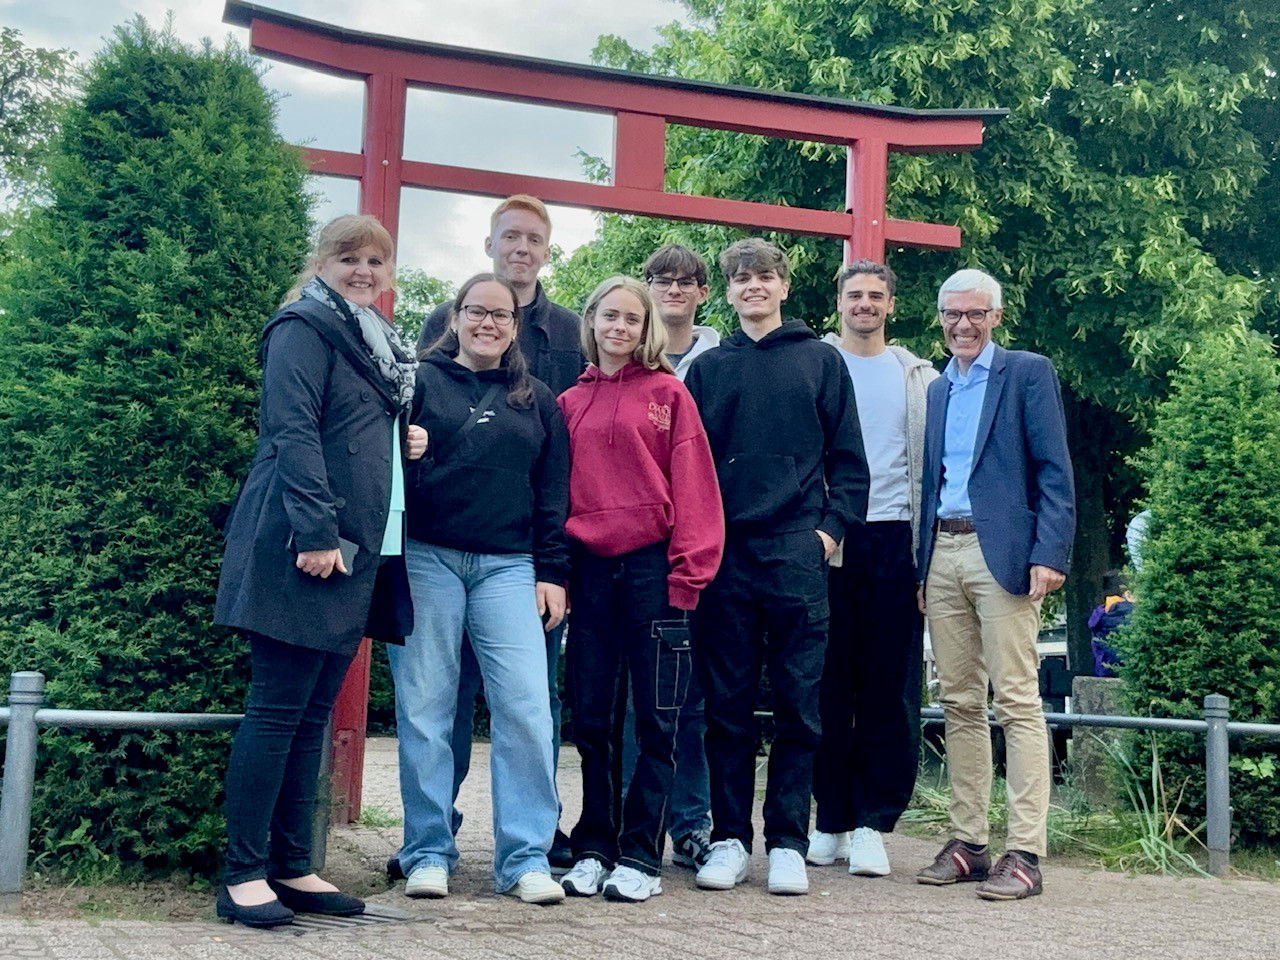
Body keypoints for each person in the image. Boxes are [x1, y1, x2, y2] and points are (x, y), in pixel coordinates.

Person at [214, 214, 424, 927]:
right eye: (349, 256)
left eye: (376, 259)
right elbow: (291, 426)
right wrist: (315, 528)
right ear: (322, 261)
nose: (364, 269)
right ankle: (241, 875)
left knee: (310, 718)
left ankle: (290, 865)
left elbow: (351, 428)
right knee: (276, 713)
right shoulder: (303, 325)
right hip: (306, 544)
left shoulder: (374, 342)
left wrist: (407, 435)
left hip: (357, 552)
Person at [684, 238, 869, 896]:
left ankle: (789, 840)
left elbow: (850, 461)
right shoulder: (706, 372)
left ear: (784, 286)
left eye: (764, 276)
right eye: (740, 279)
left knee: (800, 705)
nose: (753, 287)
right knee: (726, 707)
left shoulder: (820, 361)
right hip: (726, 554)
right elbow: (689, 468)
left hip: (796, 548)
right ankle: (730, 838)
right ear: (727, 292)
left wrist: (827, 533)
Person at [410, 194, 584, 873]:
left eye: (532, 238)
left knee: (527, 706)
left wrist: (554, 568)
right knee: (430, 706)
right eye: (509, 236)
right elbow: (395, 469)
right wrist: (411, 450)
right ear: (455, 319)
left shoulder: (555, 362)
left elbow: (555, 473)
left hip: (515, 559)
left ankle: (529, 852)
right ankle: (429, 845)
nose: (487, 322)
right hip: (432, 553)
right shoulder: (424, 374)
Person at [557, 276, 724, 902]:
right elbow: (556, 494)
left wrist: (689, 576)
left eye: (632, 318)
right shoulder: (569, 402)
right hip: (593, 576)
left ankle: (640, 855)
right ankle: (595, 845)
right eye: (609, 316)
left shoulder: (669, 395)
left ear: (646, 326)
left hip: (656, 574)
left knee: (658, 719)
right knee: (594, 718)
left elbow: (695, 486)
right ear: (592, 321)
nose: (620, 327)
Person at [915, 268, 1075, 901]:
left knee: (1016, 700)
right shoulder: (935, 389)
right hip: (942, 553)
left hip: (1002, 552)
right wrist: (921, 564)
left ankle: (1026, 852)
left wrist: (1050, 553)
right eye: (952, 314)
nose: (963, 324)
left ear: (996, 316)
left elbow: (1054, 471)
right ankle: (969, 843)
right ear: (940, 318)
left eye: (975, 313)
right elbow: (933, 480)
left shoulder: (1027, 373)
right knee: (957, 701)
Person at [809, 259, 938, 877]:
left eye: (875, 295)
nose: (864, 304)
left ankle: (872, 822)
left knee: (889, 687)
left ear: (891, 304)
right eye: (853, 294)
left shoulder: (918, 376)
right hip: (830, 537)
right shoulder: (814, 363)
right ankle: (829, 817)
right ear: (838, 302)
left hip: (895, 538)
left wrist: (926, 557)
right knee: (825, 685)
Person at [613, 244, 719, 871]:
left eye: (686, 280)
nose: (673, 289)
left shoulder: (723, 358)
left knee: (691, 694)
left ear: (703, 291)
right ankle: (635, 823)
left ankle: (690, 822)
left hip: (702, 544)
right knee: (634, 692)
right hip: (636, 551)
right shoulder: (617, 364)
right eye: (661, 280)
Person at [1088, 571, 1133, 678]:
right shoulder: (1131, 612)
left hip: (1104, 673)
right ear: (1127, 594)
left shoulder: (1099, 614)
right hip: (1129, 674)